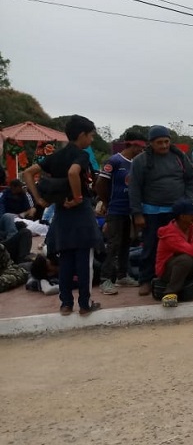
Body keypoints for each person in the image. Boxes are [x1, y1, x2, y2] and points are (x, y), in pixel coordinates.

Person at [23, 115, 103, 316]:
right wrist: (77, 197)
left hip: (60, 212)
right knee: (84, 260)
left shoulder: (55, 156)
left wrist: (39, 200)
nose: (91, 140)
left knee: (65, 260)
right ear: (82, 135)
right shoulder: (81, 155)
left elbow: (27, 173)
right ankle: (85, 304)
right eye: (91, 136)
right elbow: (73, 173)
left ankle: (66, 304)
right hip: (80, 212)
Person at [128, 125, 193, 297]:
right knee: (150, 246)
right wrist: (137, 214)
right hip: (152, 212)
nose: (164, 146)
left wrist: (187, 201)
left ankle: (176, 279)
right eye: (159, 142)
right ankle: (145, 280)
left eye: (166, 141)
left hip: (177, 213)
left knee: (180, 246)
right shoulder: (140, 161)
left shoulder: (179, 157)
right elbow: (135, 188)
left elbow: (192, 179)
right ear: (150, 143)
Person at [95, 131, 147, 295]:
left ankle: (122, 275)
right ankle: (105, 279)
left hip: (128, 210)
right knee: (113, 244)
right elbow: (100, 184)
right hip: (115, 210)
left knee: (126, 242)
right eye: (141, 147)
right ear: (132, 145)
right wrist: (107, 203)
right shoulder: (115, 161)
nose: (142, 150)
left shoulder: (135, 163)